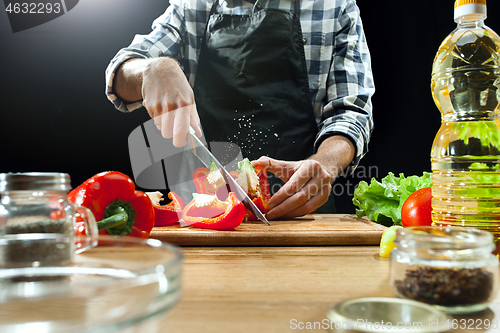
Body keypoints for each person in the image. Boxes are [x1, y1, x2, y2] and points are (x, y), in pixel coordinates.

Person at [105, 0, 374, 220]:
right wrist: (153, 70)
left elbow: (351, 114)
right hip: (207, 211)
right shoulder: (192, 7)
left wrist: (325, 163)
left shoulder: (335, 7)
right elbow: (120, 75)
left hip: (303, 209)